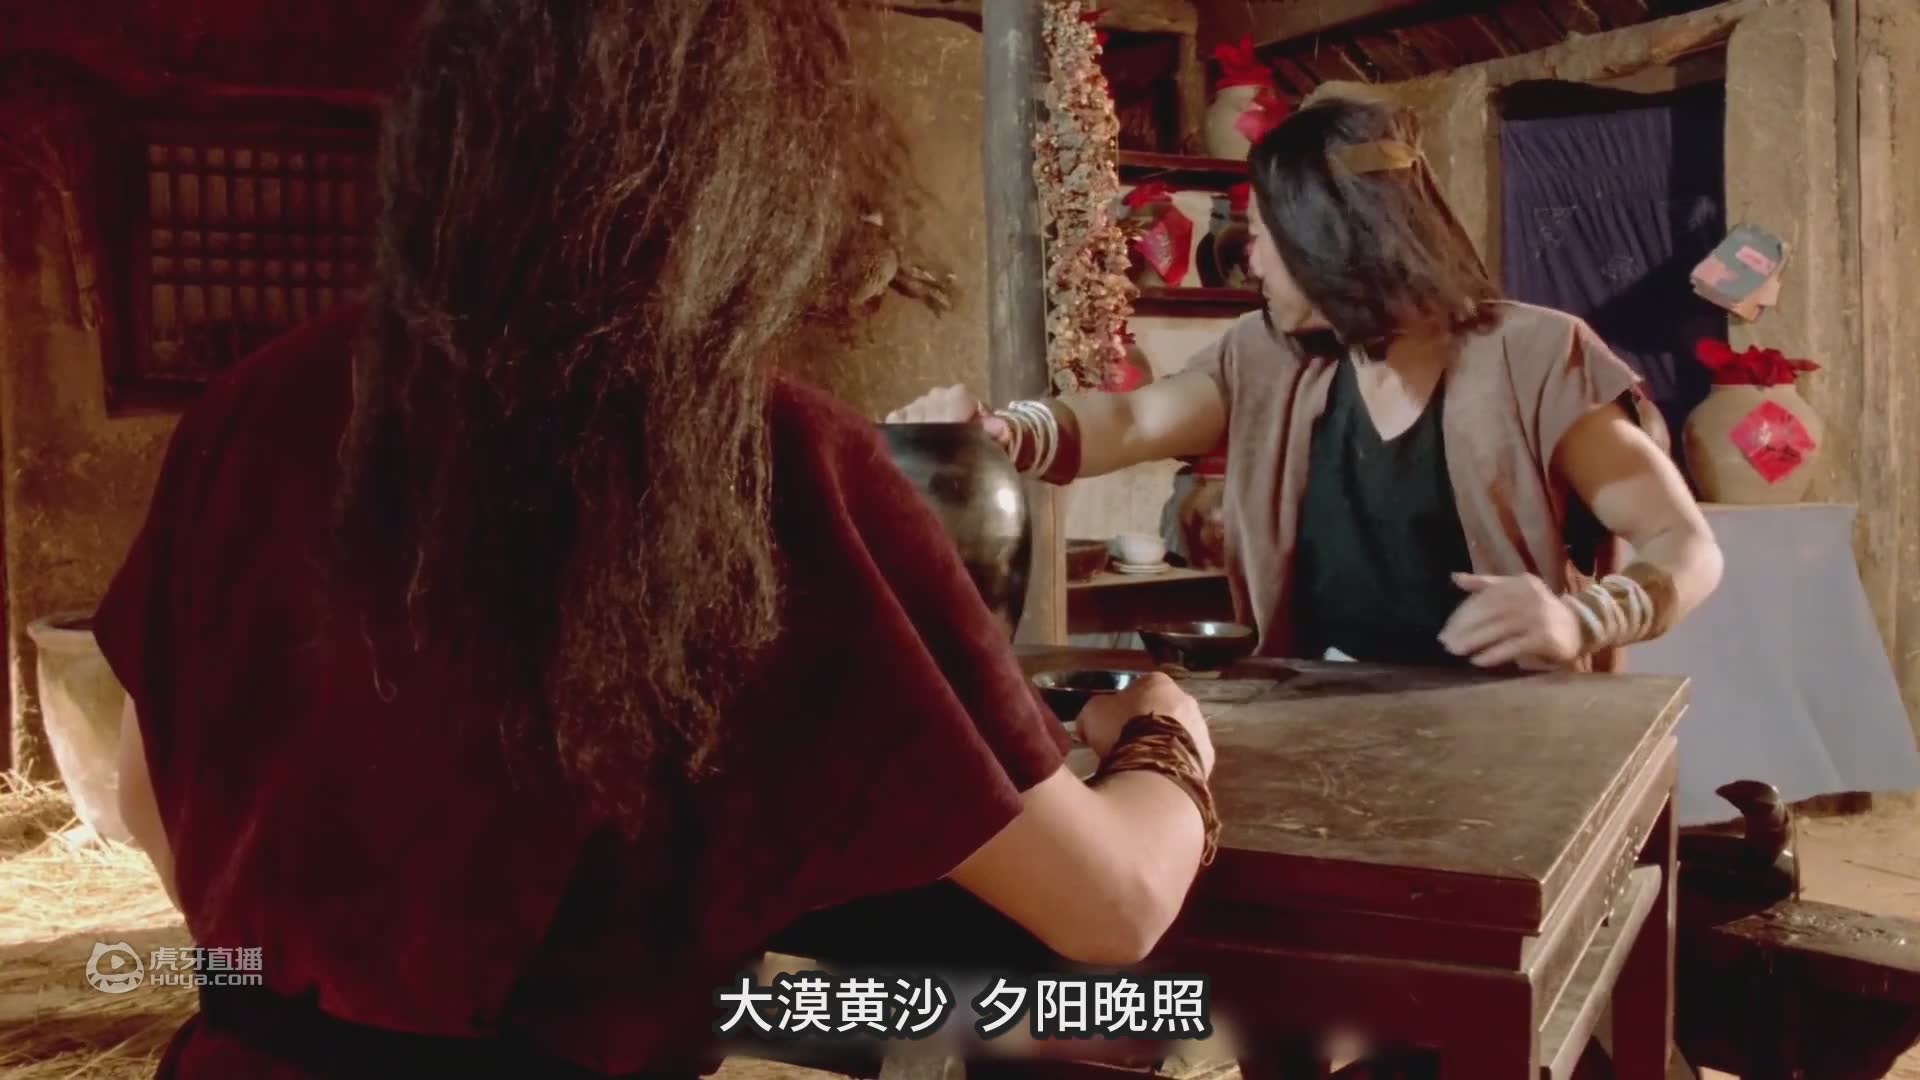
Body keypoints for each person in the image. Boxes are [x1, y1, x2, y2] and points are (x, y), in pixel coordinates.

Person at [94, 3, 1218, 1075]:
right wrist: (1166, 739)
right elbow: (1110, 905)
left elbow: (150, 804)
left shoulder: (249, 409)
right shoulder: (757, 457)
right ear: (752, 163)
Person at [892, 93, 1723, 674]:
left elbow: (1686, 546)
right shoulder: (1270, 357)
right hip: (1326, 714)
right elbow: (1136, 420)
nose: (1249, 258)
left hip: (1509, 730)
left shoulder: (1535, 357)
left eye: (1261, 233)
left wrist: (1581, 618)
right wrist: (1007, 432)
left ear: (1327, 239)